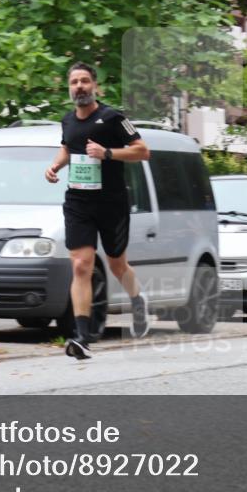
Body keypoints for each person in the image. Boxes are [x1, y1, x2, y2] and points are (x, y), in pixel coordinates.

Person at [44, 62, 151, 359]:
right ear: (69, 88)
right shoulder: (68, 120)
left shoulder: (114, 118)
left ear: (95, 86)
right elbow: (67, 147)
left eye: (85, 81)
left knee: (117, 265)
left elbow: (143, 151)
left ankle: (138, 299)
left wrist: (106, 153)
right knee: (81, 265)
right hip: (78, 201)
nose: (79, 86)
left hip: (112, 203)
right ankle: (81, 336)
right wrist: (55, 165)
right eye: (74, 82)